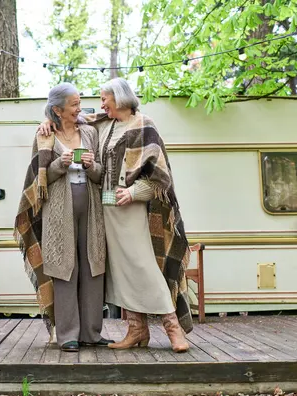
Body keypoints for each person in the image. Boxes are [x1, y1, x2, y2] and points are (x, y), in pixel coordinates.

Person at [38, 78, 192, 353]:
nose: (99, 104)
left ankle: (173, 327)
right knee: (120, 271)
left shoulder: (144, 125)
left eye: (104, 98)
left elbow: (160, 178)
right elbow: (65, 114)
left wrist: (133, 193)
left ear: (119, 98)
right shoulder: (103, 123)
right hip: (105, 208)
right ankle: (136, 329)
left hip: (130, 207)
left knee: (142, 265)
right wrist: (45, 121)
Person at [14, 82, 112, 352]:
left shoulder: (90, 132)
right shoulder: (44, 136)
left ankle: (92, 333)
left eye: (79, 103)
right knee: (64, 267)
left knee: (93, 265)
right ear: (57, 109)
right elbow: (38, 177)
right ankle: (67, 334)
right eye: (74, 104)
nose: (79, 108)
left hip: (91, 208)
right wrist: (60, 164)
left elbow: (102, 174)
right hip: (58, 209)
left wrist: (92, 166)